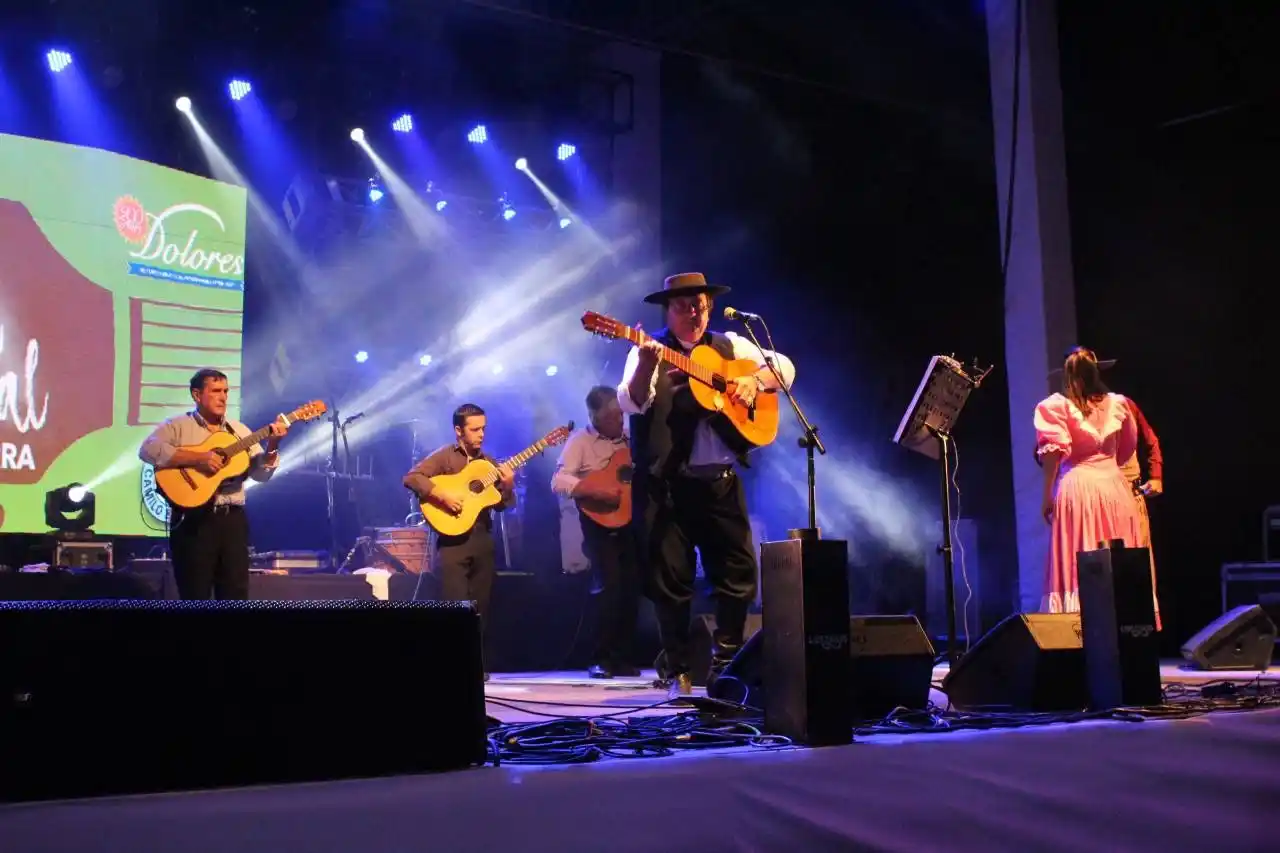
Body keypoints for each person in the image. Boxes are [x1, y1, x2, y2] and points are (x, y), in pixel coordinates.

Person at [618, 272, 796, 698]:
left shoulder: (732, 345)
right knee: (671, 581)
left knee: (736, 576)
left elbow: (786, 369)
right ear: (667, 310)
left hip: (719, 483)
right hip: (668, 486)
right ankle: (677, 669)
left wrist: (755, 380)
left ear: (709, 307)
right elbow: (632, 400)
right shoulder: (649, 351)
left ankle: (726, 665)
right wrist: (646, 363)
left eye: (697, 305)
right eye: (681, 306)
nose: (691, 313)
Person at [139, 368, 289, 600]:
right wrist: (199, 458)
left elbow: (261, 475)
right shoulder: (177, 426)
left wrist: (273, 445)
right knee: (194, 594)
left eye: (226, 391)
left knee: (235, 594)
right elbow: (148, 450)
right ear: (197, 395)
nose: (223, 397)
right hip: (193, 522)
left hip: (233, 522)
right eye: (216, 391)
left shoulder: (239, 431)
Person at [1034, 347, 1158, 628]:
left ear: (1068, 376)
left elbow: (1052, 457)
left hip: (1078, 487)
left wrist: (1046, 496)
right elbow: (1127, 449)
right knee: (1117, 560)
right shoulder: (1119, 404)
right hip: (1115, 488)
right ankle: (1125, 627)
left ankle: (1076, 629)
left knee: (1082, 557)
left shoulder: (1055, 407)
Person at [403, 403, 516, 639]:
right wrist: (441, 495)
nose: (482, 434)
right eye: (475, 429)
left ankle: (477, 666)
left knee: (481, 609)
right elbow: (412, 477)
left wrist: (508, 486)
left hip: (482, 538)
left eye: (483, 428)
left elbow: (503, 506)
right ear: (458, 430)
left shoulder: (489, 463)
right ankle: (454, 666)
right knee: (454, 609)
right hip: (453, 544)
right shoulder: (445, 455)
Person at [551, 386, 640, 679]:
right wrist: (592, 490)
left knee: (630, 587)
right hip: (598, 520)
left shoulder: (630, 436)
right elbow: (559, 480)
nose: (619, 420)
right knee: (607, 587)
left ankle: (622, 655)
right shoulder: (580, 441)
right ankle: (599, 657)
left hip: (632, 518)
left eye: (620, 414)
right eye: (612, 416)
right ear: (594, 416)